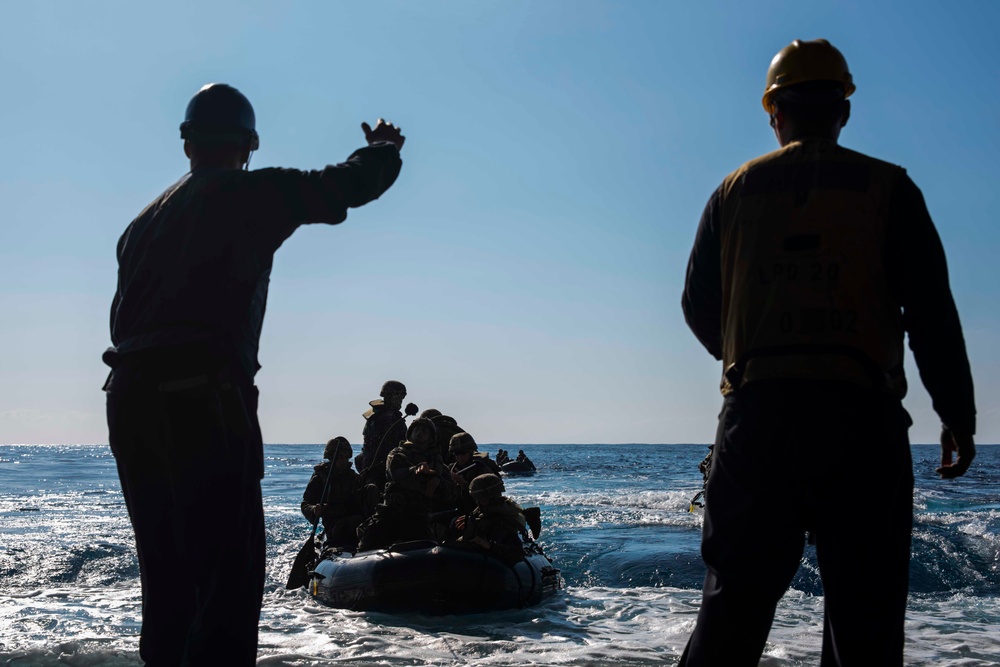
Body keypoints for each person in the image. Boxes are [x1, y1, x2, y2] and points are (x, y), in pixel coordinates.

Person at [679, 39, 976, 666]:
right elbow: (931, 314)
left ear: (774, 112)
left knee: (731, 611)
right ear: (843, 110)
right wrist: (956, 414)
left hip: (757, 422)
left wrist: (752, 363)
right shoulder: (889, 188)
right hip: (861, 421)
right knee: (863, 622)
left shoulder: (733, 193)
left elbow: (697, 305)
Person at [103, 82, 404, 666]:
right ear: (249, 145)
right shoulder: (249, 194)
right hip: (203, 401)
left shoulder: (139, 225)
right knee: (227, 577)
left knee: (165, 574)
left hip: (128, 405)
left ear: (186, 143)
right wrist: (385, 151)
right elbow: (342, 186)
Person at [356, 417, 459, 550]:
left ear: (431, 437)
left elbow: (452, 493)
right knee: (369, 539)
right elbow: (396, 474)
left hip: (418, 516)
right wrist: (417, 472)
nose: (419, 433)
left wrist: (437, 481)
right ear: (410, 433)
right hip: (392, 513)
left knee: (429, 548)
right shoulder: (397, 454)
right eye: (416, 429)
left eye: (424, 431)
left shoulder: (437, 463)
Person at [300, 437, 378, 548]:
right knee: (355, 523)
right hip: (335, 525)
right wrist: (314, 510)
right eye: (340, 457)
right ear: (332, 458)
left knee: (371, 489)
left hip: (357, 520)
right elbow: (305, 504)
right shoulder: (321, 478)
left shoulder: (353, 477)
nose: (344, 460)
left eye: (346, 457)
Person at [454, 474, 527, 566]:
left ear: (493, 497)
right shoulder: (480, 514)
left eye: (481, 499)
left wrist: (489, 546)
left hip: (490, 567)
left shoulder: (504, 521)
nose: (478, 502)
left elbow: (518, 554)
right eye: (477, 499)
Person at [355, 380, 414, 485]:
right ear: (391, 396)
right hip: (381, 466)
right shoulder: (389, 418)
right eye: (399, 397)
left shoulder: (377, 415)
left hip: (370, 464)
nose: (401, 401)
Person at [446, 432, 502, 514]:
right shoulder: (453, 468)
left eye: (463, 453)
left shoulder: (481, 468)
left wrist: (463, 484)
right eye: (456, 454)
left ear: (471, 451)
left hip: (482, 512)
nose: (460, 457)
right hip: (460, 509)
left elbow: (488, 499)